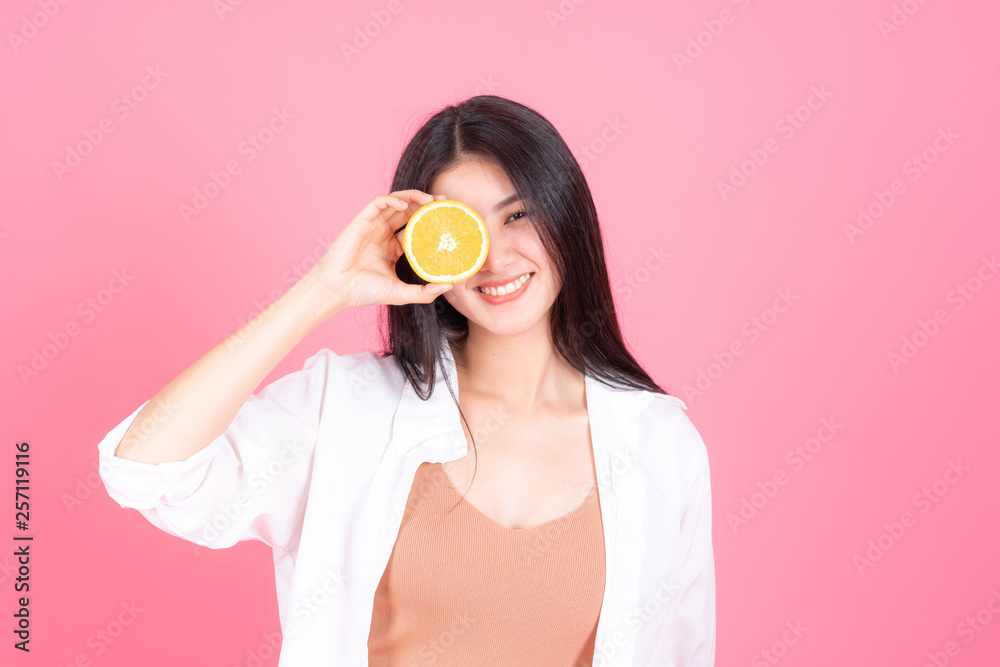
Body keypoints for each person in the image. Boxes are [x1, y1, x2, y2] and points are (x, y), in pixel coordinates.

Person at [97, 95, 715, 666]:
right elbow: (145, 469)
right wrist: (323, 290)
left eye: (519, 215)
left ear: (566, 215)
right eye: (462, 229)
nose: (495, 258)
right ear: (423, 246)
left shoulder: (660, 443)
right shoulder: (346, 410)